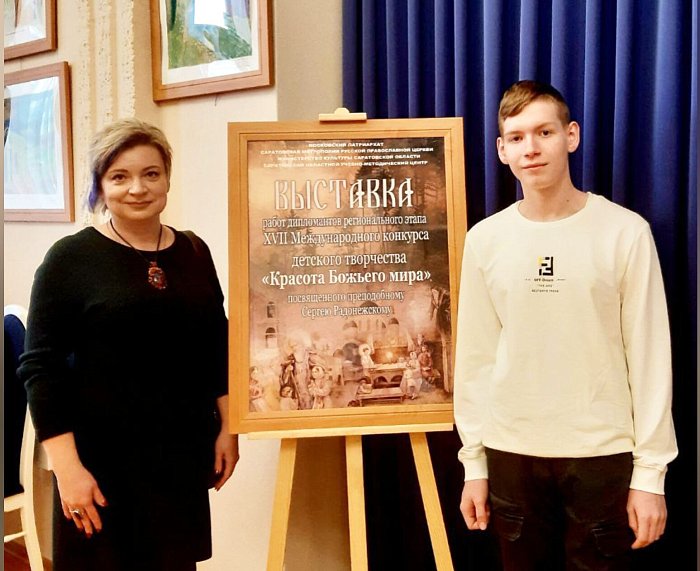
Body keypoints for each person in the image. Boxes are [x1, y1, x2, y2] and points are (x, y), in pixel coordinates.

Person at [453, 80, 677, 570]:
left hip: (601, 456)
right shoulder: (485, 240)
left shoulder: (625, 232)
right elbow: (474, 359)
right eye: (516, 137)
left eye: (544, 132)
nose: (530, 149)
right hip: (511, 454)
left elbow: (650, 357)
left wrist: (651, 474)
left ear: (570, 136)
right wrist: (474, 464)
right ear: (502, 151)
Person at [18, 118, 239, 571]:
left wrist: (229, 428)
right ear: (100, 186)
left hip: (179, 454)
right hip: (98, 461)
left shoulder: (194, 252)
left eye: (150, 173)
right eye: (119, 176)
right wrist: (68, 470)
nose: (137, 188)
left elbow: (216, 345)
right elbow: (41, 368)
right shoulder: (69, 259)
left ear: (167, 179)